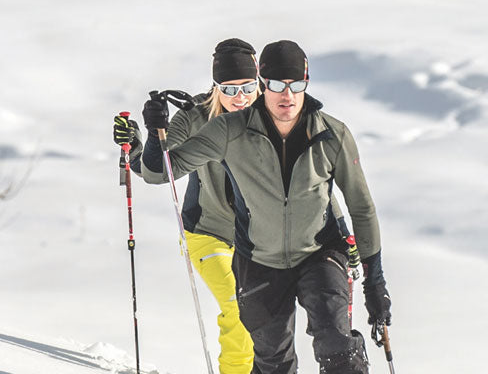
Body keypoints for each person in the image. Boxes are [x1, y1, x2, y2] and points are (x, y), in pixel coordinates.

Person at [136, 40, 392, 374]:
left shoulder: (332, 134)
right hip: (257, 259)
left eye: (296, 85)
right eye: (276, 85)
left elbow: (361, 207)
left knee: (335, 346)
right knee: (273, 362)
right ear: (264, 83)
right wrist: (156, 137)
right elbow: (160, 174)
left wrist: (375, 283)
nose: (287, 95)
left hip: (319, 252)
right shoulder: (228, 130)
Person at [114, 38, 260, 374]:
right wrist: (152, 134)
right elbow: (157, 170)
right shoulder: (196, 116)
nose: (240, 98)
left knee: (266, 318)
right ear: (215, 86)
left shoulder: (274, 114)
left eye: (248, 87)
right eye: (230, 88)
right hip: (207, 233)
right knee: (237, 306)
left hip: (258, 241)